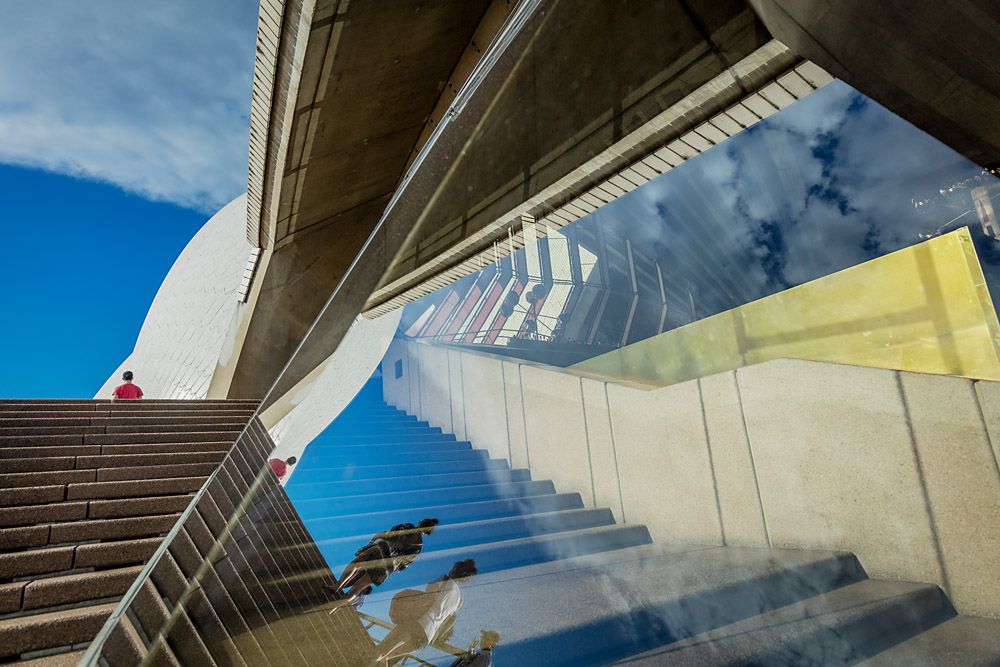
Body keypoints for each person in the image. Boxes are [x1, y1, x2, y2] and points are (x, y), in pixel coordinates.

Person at [370, 559, 479, 667]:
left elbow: (427, 595)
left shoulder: (445, 581)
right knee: (389, 661)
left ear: (456, 569)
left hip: (417, 623)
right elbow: (449, 619)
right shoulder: (459, 599)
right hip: (427, 636)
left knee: (382, 650)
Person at [329, 518, 440, 606]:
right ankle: (336, 606)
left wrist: (373, 540)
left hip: (381, 550)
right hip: (389, 567)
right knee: (359, 587)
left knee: (355, 565)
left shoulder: (408, 527)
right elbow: (403, 566)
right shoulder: (419, 547)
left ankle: (336, 587)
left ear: (420, 523)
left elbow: (389, 534)